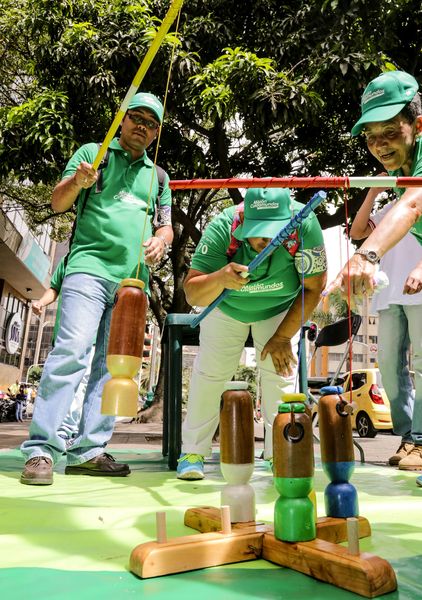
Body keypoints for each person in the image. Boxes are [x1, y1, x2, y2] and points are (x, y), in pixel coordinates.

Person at [20, 92, 173, 485]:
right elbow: (58, 202)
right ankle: (41, 450)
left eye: (150, 122)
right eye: (135, 117)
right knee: (71, 352)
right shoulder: (95, 152)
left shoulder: (158, 177)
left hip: (132, 285)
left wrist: (163, 240)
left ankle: (89, 449)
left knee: (112, 367)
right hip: (87, 270)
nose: (142, 126)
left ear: (156, 133)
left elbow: (165, 225)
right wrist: (78, 180)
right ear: (121, 120)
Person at [177, 186, 327, 480]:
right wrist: (220, 278)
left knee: (280, 374)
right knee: (211, 373)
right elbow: (193, 294)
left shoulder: (305, 224)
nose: (266, 240)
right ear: (245, 221)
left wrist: (283, 337)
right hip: (227, 307)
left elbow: (313, 287)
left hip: (280, 307)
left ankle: (279, 453)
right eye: (259, 232)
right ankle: (192, 451)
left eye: (274, 231)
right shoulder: (223, 225)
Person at [324, 70, 422, 482]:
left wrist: (366, 255)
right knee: (394, 364)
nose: (379, 145)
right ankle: (411, 439)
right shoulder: (400, 175)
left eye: (389, 132)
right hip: (394, 295)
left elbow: (414, 203)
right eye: (370, 136)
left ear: (417, 125)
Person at [350, 186, 422, 469]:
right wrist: (371, 192)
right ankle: (408, 437)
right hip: (390, 296)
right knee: (389, 367)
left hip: (419, 291)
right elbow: (358, 233)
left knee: (421, 363)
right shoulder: (389, 208)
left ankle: (419, 440)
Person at [32, 258, 93, 445]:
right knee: (58, 378)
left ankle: (68, 430)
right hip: (64, 334)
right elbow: (54, 287)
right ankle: (49, 431)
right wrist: (41, 302)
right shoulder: (69, 260)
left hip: (93, 337)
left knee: (83, 382)